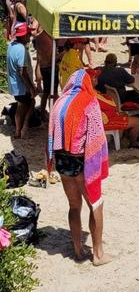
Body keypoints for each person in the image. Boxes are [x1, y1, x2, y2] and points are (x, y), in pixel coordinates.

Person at [48, 69, 112, 266]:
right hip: (82, 160)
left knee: (74, 206)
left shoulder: (59, 102)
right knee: (96, 204)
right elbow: (95, 136)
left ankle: (78, 250)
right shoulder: (88, 101)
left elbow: (50, 135)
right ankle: (98, 254)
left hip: (62, 159)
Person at [7, 22, 36, 139]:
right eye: (28, 34)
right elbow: (22, 72)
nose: (30, 36)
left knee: (22, 105)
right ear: (23, 35)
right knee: (26, 105)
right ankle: (21, 129)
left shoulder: (11, 45)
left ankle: (19, 130)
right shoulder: (21, 49)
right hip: (21, 85)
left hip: (14, 83)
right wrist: (31, 88)